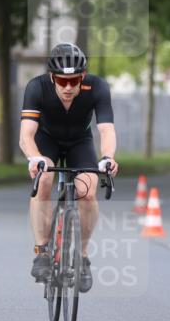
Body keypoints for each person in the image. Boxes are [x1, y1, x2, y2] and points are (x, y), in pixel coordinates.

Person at [19, 43, 119, 292]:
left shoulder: (97, 87)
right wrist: (34, 158)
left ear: (82, 77)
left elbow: (106, 129)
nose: (67, 87)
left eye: (73, 81)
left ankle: (82, 257)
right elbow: (26, 135)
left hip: (80, 142)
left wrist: (107, 157)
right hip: (47, 141)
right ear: (52, 77)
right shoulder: (37, 87)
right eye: (61, 81)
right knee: (43, 180)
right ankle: (42, 250)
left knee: (88, 190)